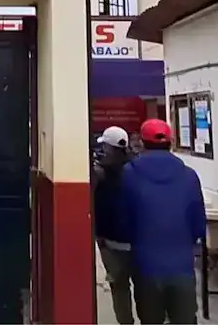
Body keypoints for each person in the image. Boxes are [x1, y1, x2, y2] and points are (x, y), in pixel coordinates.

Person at [120, 119, 207, 325]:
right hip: (182, 265)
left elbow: (124, 219)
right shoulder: (189, 176)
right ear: (171, 141)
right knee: (184, 319)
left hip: (145, 264)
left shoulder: (129, 174)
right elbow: (198, 223)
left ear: (141, 142)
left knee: (150, 319)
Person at [91, 125, 136, 325]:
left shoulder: (100, 172)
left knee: (119, 288)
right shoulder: (137, 169)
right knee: (142, 285)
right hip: (136, 239)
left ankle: (125, 322)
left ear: (108, 148)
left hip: (109, 240)